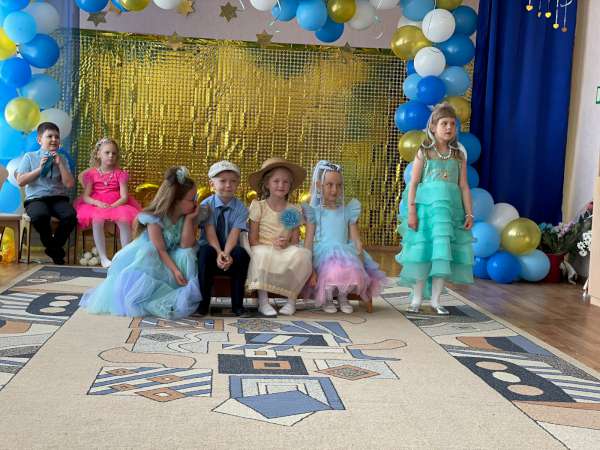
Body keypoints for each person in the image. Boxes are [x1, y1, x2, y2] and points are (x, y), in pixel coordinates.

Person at [80, 166, 208, 319]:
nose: (195, 203)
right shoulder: (154, 218)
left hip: (170, 253)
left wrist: (189, 220)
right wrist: (175, 271)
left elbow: (186, 244)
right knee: (149, 253)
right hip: (153, 254)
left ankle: (181, 291)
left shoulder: (186, 215)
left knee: (187, 253)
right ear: (175, 201)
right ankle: (144, 295)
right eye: (192, 199)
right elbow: (160, 250)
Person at [397, 103, 474, 315]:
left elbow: (464, 186)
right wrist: (412, 211)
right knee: (423, 253)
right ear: (433, 127)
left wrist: (469, 213)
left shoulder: (458, 155)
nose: (449, 127)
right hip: (426, 214)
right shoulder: (424, 152)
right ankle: (416, 298)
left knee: (442, 255)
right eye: (444, 123)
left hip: (449, 214)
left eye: (452, 124)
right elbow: (414, 184)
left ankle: (436, 300)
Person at [303, 160, 386, 313]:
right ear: (319, 186)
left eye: (339, 185)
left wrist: (359, 254)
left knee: (350, 266)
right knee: (331, 268)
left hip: (344, 251)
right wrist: (308, 263)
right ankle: (328, 299)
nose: (335, 190)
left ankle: (343, 296)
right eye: (329, 185)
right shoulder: (314, 212)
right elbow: (308, 241)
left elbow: (355, 238)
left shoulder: (348, 211)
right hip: (322, 254)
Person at [246, 157, 312, 317]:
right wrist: (271, 245)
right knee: (261, 254)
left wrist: (285, 245)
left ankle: (291, 300)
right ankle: (263, 302)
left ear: (290, 185)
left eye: (285, 182)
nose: (281, 185)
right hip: (262, 247)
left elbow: (294, 240)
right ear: (267, 184)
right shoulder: (259, 207)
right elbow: (253, 240)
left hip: (284, 249)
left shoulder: (292, 210)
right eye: (276, 181)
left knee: (302, 255)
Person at [74, 137, 141, 268]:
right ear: (98, 154)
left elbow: (124, 197)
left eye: (114, 153)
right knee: (97, 221)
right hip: (97, 204)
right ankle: (104, 258)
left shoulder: (120, 174)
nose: (111, 155)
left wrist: (113, 206)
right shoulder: (91, 174)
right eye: (107, 152)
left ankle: (125, 256)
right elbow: (86, 196)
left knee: (124, 221)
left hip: (117, 203)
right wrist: (97, 203)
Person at [196, 161, 251, 317]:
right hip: (211, 248)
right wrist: (219, 252)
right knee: (204, 253)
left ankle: (238, 306)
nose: (228, 185)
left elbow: (235, 233)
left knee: (241, 254)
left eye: (233, 181)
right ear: (212, 184)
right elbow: (210, 231)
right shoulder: (206, 205)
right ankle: (203, 305)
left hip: (230, 249)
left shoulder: (241, 208)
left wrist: (226, 253)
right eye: (223, 181)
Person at [16, 122, 76, 265]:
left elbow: (69, 184)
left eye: (57, 137)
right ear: (39, 140)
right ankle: (55, 250)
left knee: (70, 215)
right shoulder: (30, 157)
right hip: (36, 199)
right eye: (49, 136)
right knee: (40, 215)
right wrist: (40, 168)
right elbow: (21, 181)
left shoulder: (62, 158)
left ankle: (53, 248)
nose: (54, 139)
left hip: (58, 198)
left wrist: (60, 164)